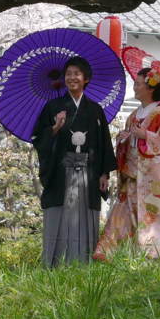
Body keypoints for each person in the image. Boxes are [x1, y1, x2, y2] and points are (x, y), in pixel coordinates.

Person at [30, 56, 117, 267]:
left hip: (89, 173)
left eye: (77, 74)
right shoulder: (53, 107)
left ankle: (83, 263)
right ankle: (55, 263)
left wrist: (104, 173)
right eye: (68, 74)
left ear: (86, 78)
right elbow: (39, 139)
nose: (72, 78)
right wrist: (55, 127)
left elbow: (104, 142)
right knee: (60, 215)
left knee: (85, 216)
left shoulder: (95, 110)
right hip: (61, 172)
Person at [93, 67, 160, 260]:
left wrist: (146, 135)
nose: (135, 87)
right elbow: (127, 141)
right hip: (132, 176)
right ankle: (110, 253)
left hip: (152, 180)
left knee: (155, 217)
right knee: (123, 214)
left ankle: (158, 254)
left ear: (150, 87)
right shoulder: (134, 115)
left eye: (138, 84)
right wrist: (124, 139)